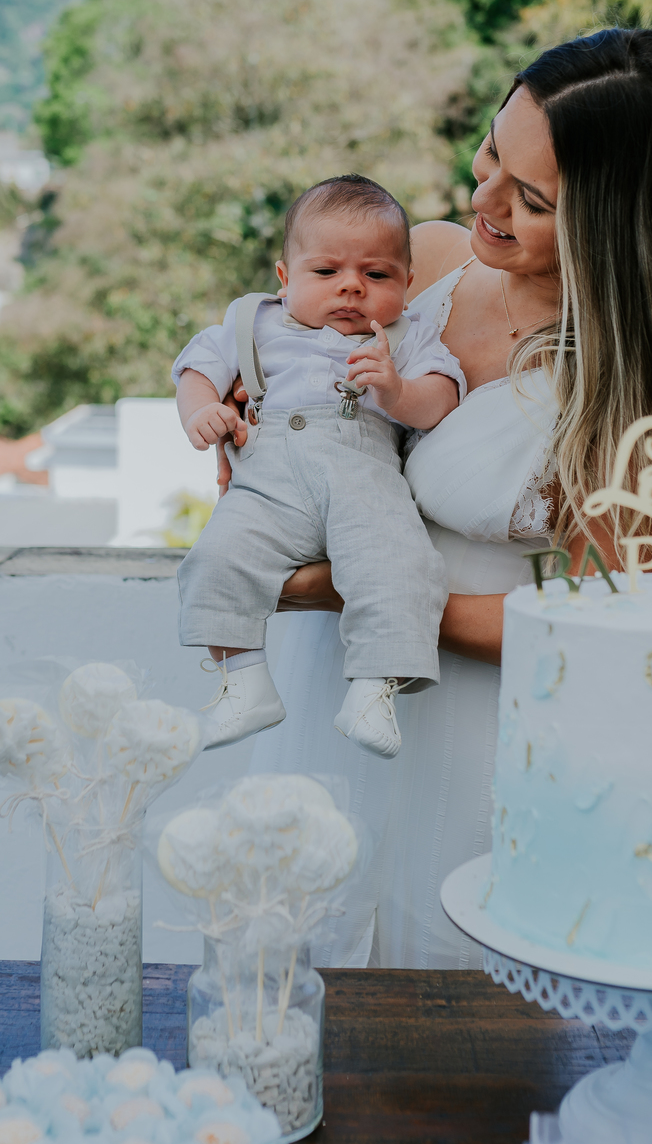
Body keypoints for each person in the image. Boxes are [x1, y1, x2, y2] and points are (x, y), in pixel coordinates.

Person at [247, 29, 652, 966]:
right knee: (287, 980)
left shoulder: (634, 392)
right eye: (491, 151)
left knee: (447, 1042)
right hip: (334, 688)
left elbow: (599, 623)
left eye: (529, 200)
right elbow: (290, 396)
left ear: (615, 226)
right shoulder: (427, 266)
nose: (482, 200)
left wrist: (358, 593)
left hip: (476, 736)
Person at [173, 174, 465, 757]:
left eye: (376, 275)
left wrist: (397, 391)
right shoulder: (251, 324)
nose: (352, 288)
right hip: (268, 483)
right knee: (216, 557)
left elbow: (444, 398)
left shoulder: (406, 338)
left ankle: (374, 690)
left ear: (407, 284)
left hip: (365, 482)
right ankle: (244, 681)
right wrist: (202, 409)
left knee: (398, 566)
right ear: (286, 280)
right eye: (327, 273)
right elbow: (196, 366)